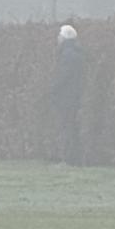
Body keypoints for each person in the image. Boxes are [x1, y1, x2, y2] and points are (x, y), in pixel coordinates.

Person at [51, 22, 84, 165]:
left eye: (59, 35)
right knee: (72, 127)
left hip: (66, 98)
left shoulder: (67, 55)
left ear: (64, 38)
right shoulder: (77, 53)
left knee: (66, 127)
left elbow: (63, 77)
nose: (57, 38)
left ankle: (68, 159)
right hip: (75, 96)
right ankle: (74, 159)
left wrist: (53, 89)